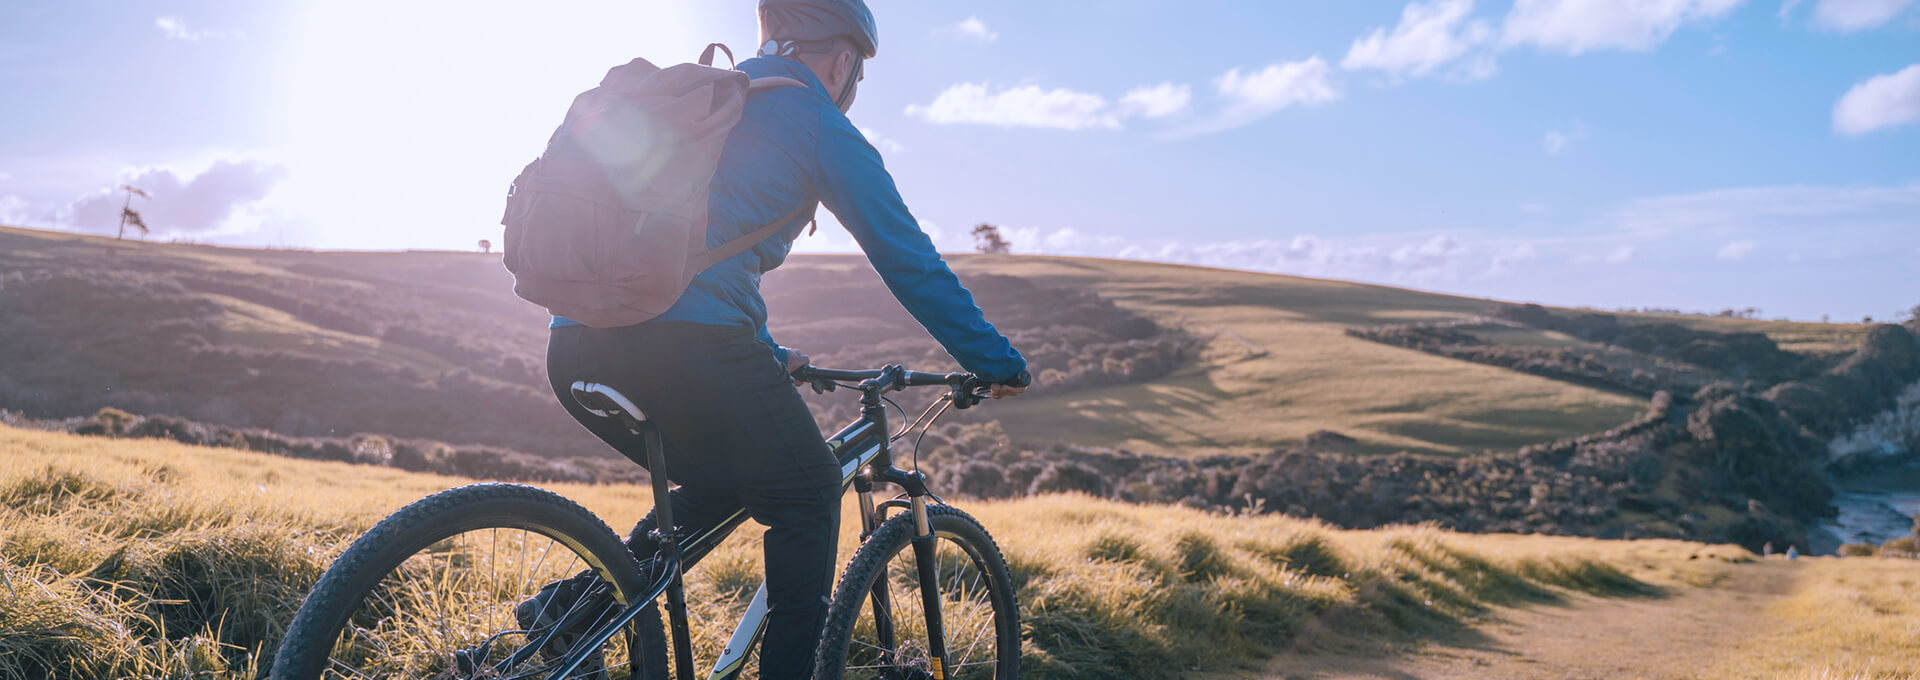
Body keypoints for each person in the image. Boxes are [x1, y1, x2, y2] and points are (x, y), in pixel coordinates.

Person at [533, 1, 1031, 677]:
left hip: (574, 342)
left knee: (728, 478)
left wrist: (767, 355)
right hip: (683, 348)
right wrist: (994, 360)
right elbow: (907, 256)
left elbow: (693, 255)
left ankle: (565, 620)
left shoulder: (717, 101)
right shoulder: (814, 122)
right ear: (845, 59)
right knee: (808, 490)